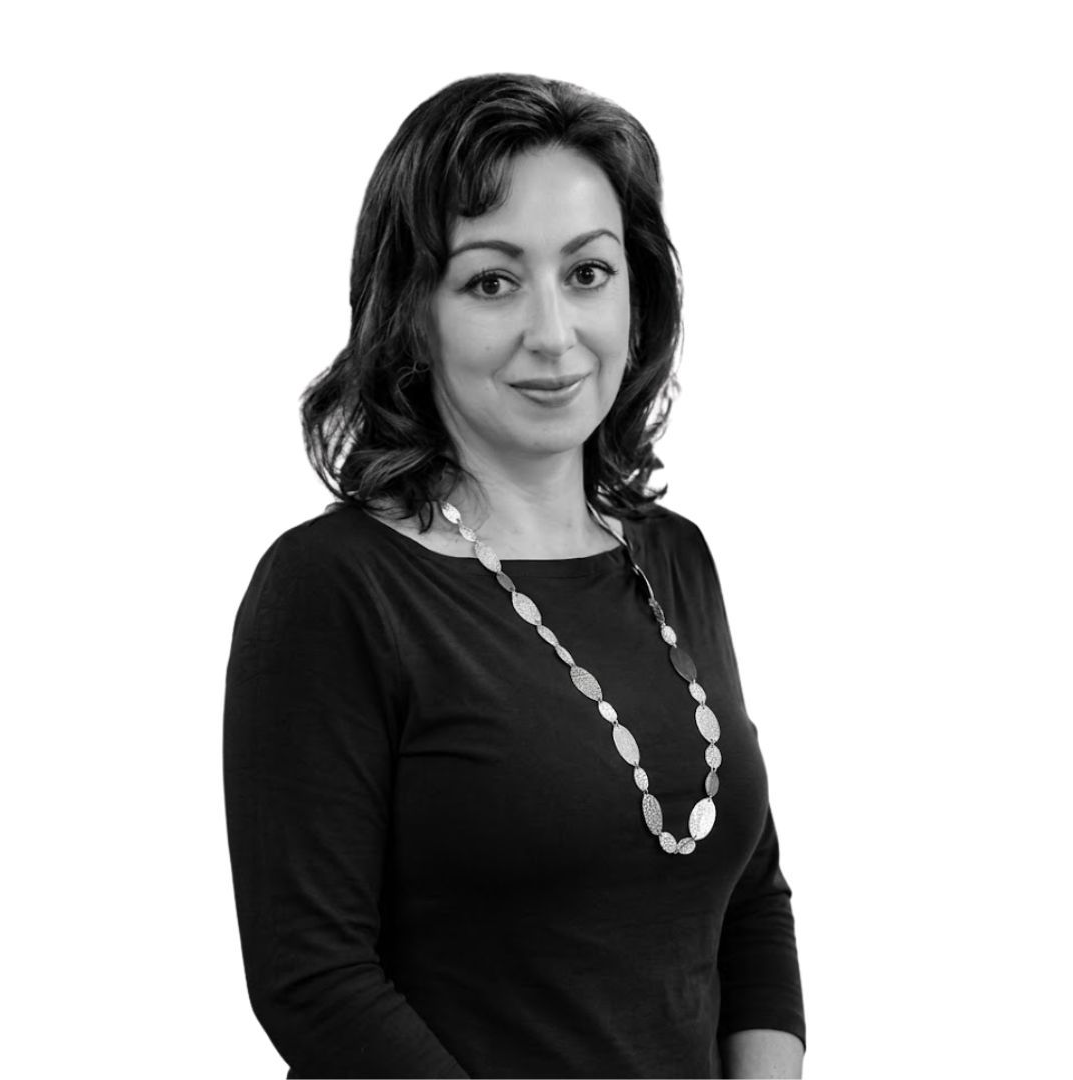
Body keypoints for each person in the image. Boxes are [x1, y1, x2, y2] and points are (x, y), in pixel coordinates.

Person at [223, 73, 806, 1079]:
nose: (552, 333)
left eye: (587, 273)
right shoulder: (335, 589)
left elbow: (749, 896)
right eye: (493, 281)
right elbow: (314, 980)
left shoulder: (675, 559)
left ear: (638, 293)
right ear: (414, 311)